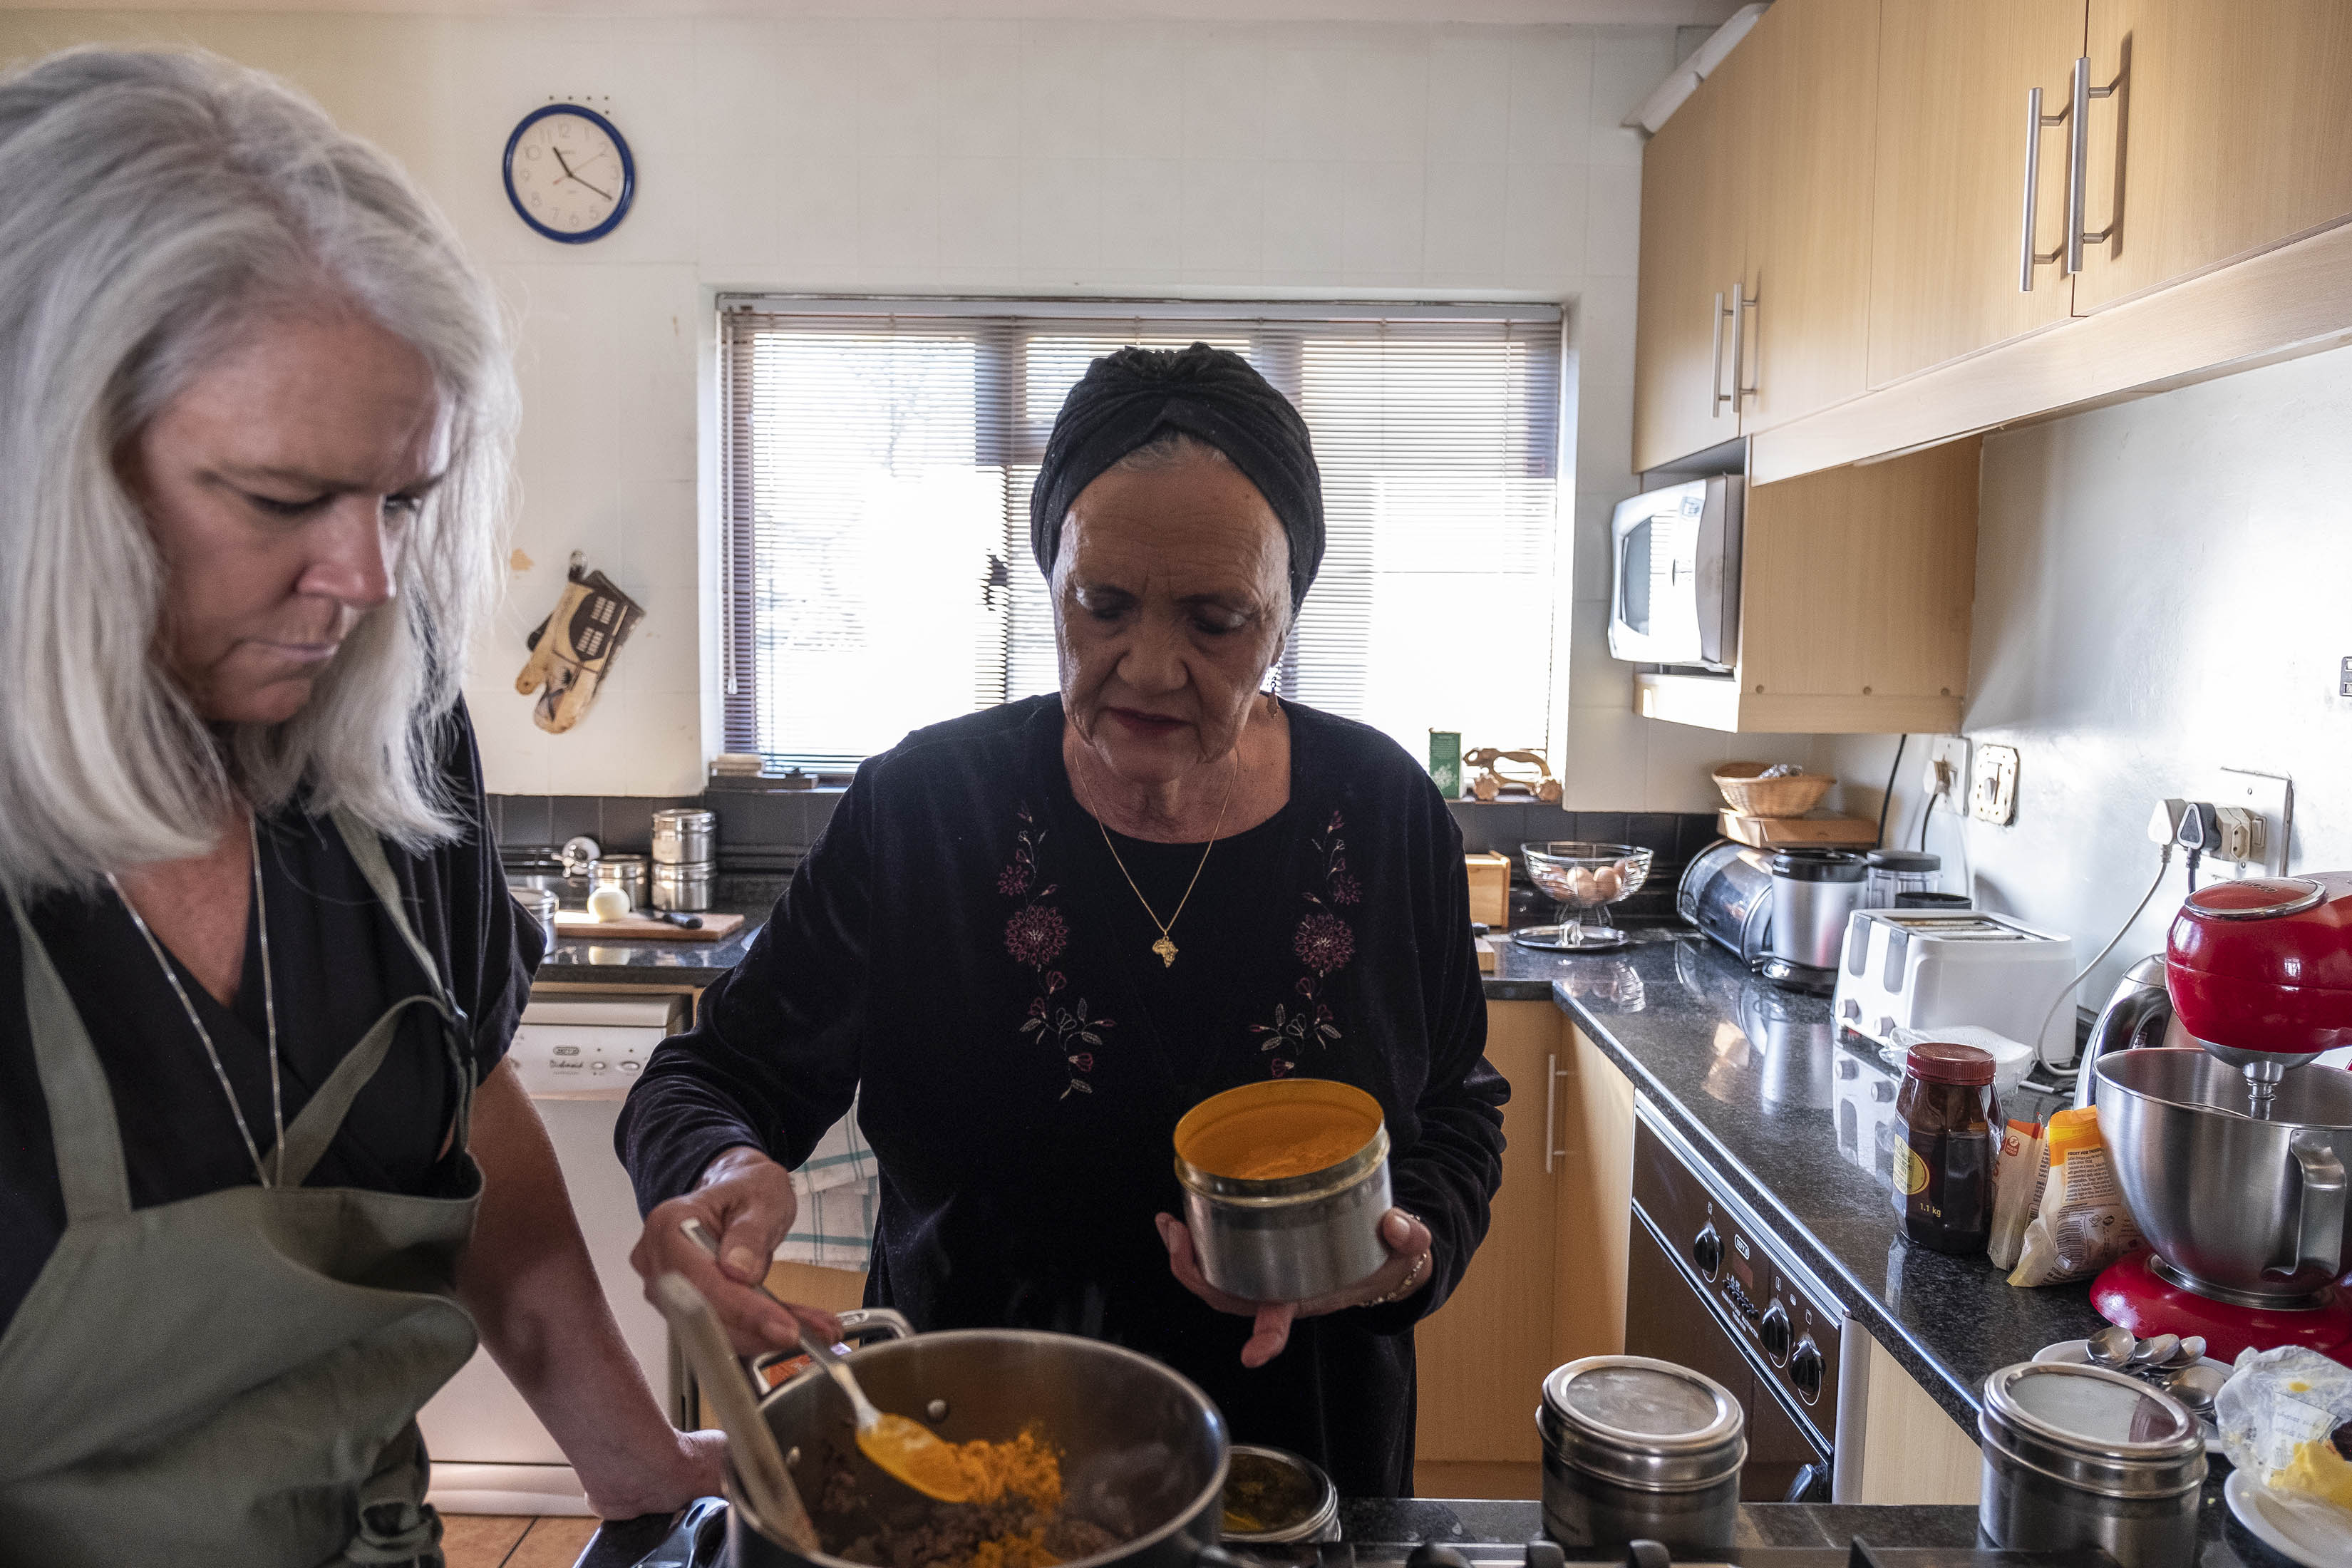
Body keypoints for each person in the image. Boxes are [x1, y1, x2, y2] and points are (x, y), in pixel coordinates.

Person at [0, 48, 717, 1561]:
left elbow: (461, 1106)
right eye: (277, 499)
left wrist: (636, 1460)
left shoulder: (385, 732)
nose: (369, 582)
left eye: (401, 500)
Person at [621, 342, 1507, 1496]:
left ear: (1290, 612)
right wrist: (726, 1166)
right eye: (1104, 604)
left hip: (1293, 1474)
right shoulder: (924, 809)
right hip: (961, 1470)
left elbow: (1455, 1109)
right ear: (1050, 581)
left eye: (1217, 618)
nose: (1149, 664)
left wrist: (1399, 1261)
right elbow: (707, 1078)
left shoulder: (1385, 812)